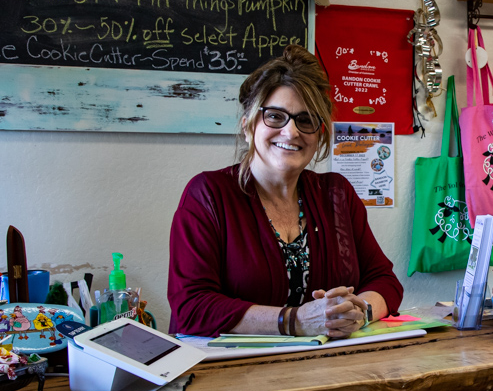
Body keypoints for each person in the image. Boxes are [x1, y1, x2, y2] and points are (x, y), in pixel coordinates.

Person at [168, 44, 403, 338]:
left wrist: (359, 312)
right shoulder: (207, 195)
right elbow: (191, 307)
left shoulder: (337, 195)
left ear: (319, 135)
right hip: (230, 376)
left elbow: (385, 281)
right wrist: (295, 320)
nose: (291, 132)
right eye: (275, 116)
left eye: (305, 120)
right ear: (248, 126)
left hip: (326, 370)